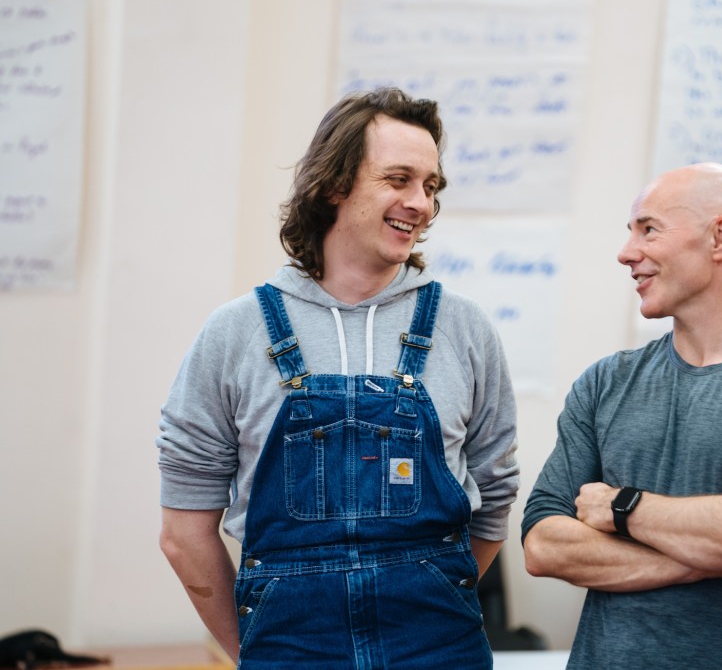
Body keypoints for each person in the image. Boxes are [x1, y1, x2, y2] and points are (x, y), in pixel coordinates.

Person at [157, 87, 519, 669]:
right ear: (333, 184)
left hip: (440, 648)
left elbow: (495, 498)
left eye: (430, 186)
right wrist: (255, 652)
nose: (421, 203)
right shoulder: (234, 333)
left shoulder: (466, 329)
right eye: (398, 179)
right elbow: (183, 532)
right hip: (290, 650)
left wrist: (430, 591)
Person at [521, 162, 722, 669]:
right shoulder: (605, 382)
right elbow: (544, 544)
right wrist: (707, 556)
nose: (626, 252)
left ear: (719, 238)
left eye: (648, 229)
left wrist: (619, 506)